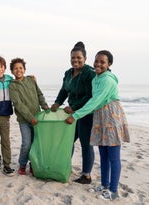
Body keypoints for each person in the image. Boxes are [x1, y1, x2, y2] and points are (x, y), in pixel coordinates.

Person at [66, 50, 130, 200]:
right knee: (103, 154)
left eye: (102, 62)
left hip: (111, 117)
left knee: (113, 156)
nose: (98, 64)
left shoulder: (107, 80)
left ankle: (113, 192)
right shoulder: (96, 78)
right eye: (97, 61)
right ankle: (104, 185)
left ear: (109, 65)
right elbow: (94, 101)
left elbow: (94, 101)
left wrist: (75, 115)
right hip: (100, 117)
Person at [51, 41, 96, 184]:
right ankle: (65, 166)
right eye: (73, 58)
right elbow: (64, 90)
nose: (75, 60)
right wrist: (58, 102)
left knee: (85, 144)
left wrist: (74, 107)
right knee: (67, 140)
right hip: (72, 114)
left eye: (79, 58)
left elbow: (90, 95)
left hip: (86, 114)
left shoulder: (89, 73)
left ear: (85, 59)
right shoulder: (68, 73)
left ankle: (86, 175)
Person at [9, 58, 49, 175]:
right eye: (15, 68)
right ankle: (22, 165)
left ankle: (33, 164)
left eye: (20, 68)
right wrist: (30, 117)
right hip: (24, 120)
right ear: (12, 71)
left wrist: (45, 106)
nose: (18, 70)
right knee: (26, 143)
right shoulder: (12, 86)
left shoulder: (31, 81)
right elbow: (18, 104)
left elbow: (39, 94)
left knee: (35, 143)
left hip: (38, 118)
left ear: (24, 69)